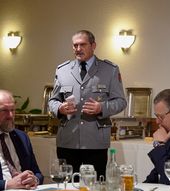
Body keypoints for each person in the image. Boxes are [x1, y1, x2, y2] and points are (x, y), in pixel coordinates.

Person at [48, 30, 127, 178]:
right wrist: (59, 108)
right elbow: (52, 101)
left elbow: (121, 101)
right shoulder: (63, 70)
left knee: (95, 187)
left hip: (95, 142)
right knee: (68, 187)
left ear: (93, 45)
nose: (78, 49)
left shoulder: (109, 70)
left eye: (82, 45)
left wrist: (102, 108)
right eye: (75, 45)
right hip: (68, 141)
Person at [0, 89, 43, 191]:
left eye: (13, 110)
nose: (10, 116)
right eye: (4, 110)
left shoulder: (21, 137)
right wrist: (7, 184)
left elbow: (38, 173)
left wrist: (34, 179)